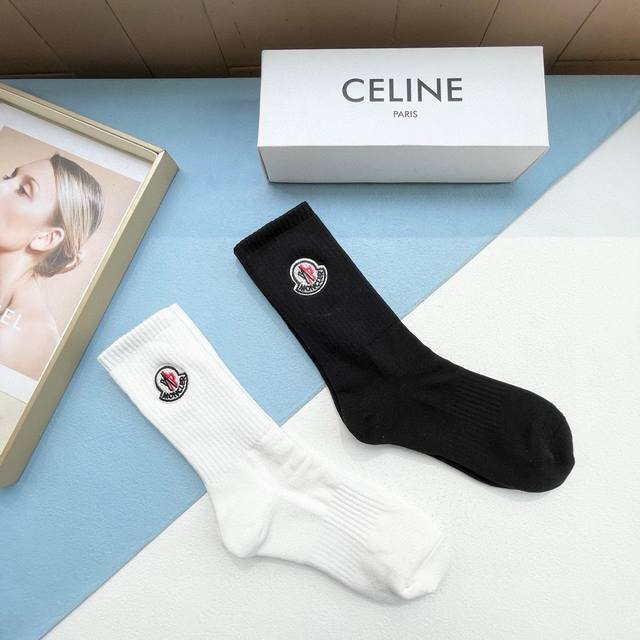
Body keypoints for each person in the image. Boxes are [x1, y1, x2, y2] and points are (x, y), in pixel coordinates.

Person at [0, 153, 104, 379]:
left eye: (22, 191)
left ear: (46, 238)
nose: (2, 186)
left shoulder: (21, 338)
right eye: (8, 177)